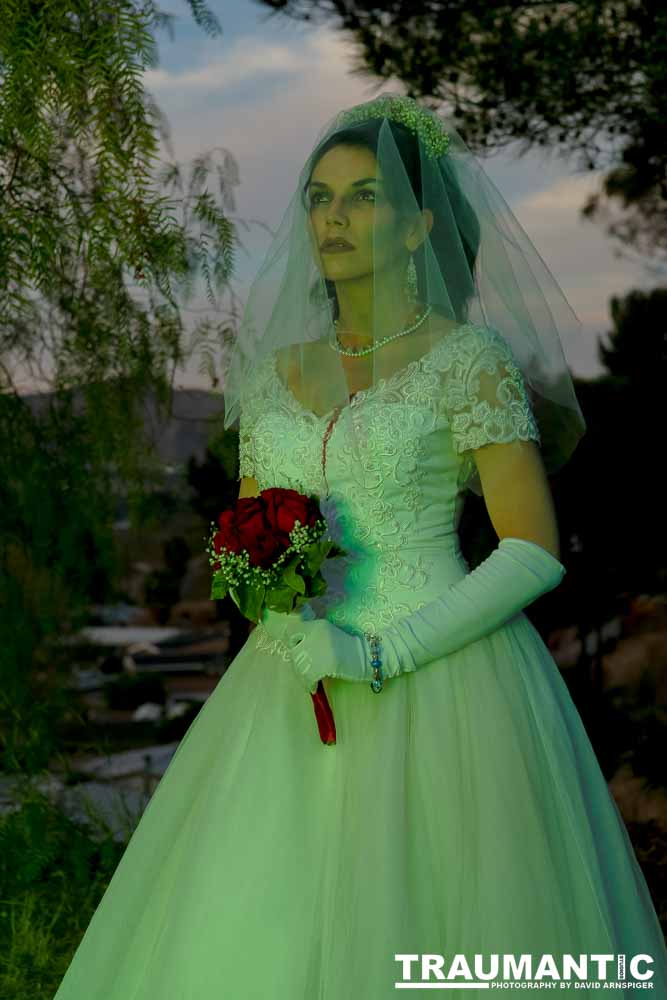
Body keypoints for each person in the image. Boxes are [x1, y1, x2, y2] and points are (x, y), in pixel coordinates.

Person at [53, 94, 667, 999]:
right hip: (288, 684)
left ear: (419, 227)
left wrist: (379, 651)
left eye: (364, 196)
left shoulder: (470, 360)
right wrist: (275, 610)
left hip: (451, 681)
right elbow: (251, 540)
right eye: (319, 198)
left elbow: (534, 550)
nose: (333, 218)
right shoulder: (270, 376)